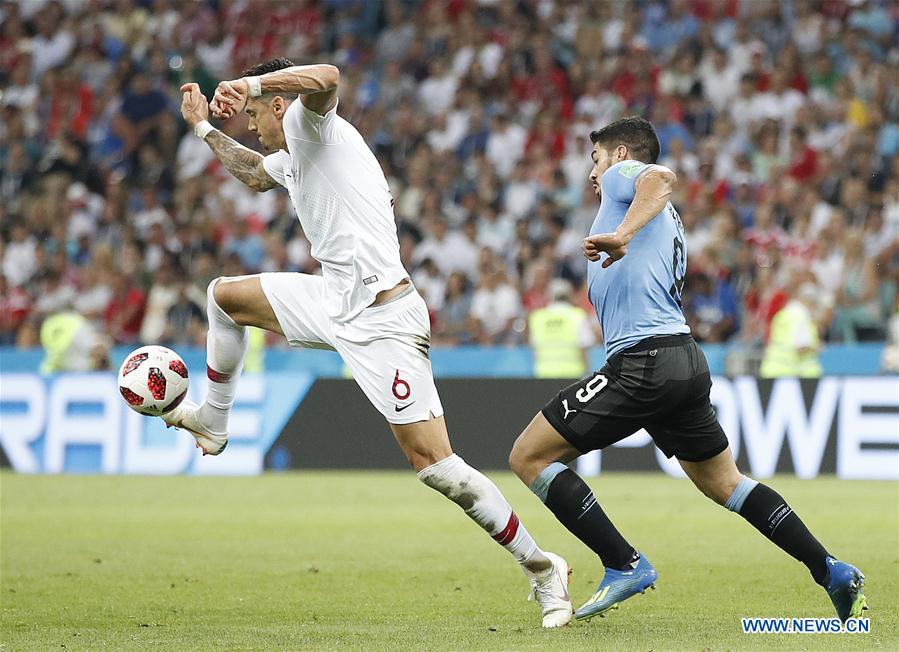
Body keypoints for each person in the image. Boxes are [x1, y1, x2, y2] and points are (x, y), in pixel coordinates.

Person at [169, 59, 572, 627]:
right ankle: (214, 421)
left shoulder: (314, 125)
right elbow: (258, 173)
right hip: (334, 301)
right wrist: (204, 130)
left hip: (384, 320)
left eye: (256, 114)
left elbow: (330, 74)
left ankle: (541, 568)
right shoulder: (293, 155)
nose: (253, 123)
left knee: (436, 466)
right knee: (224, 296)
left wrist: (255, 85)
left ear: (279, 104)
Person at [508, 117, 866, 624]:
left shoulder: (626, 183)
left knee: (528, 455)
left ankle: (623, 563)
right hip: (682, 359)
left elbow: (662, 177)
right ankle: (830, 569)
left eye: (595, 159)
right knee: (726, 483)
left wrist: (621, 235)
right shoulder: (663, 218)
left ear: (620, 153)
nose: (592, 172)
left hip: (643, 360)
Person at [528, 279, 595, 378]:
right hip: (573, 375)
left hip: (543, 374)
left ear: (549, 296)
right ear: (569, 295)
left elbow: (534, 348)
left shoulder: (537, 317)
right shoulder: (577, 315)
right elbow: (584, 346)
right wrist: (587, 371)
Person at [760, 282, 823, 378]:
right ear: (808, 301)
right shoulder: (802, 316)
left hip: (771, 369)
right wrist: (816, 347)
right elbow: (801, 347)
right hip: (787, 373)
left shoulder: (782, 314)